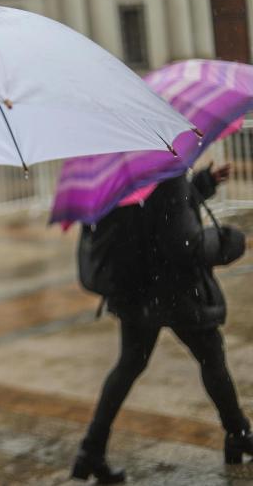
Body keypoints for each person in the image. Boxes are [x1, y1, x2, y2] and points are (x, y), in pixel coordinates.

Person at [73, 163, 249, 484]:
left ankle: (91, 451)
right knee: (211, 356)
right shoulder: (165, 170)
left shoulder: (116, 172)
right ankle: (237, 433)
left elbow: (155, 212)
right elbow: (185, 244)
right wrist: (230, 242)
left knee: (128, 366)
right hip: (174, 292)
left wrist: (202, 184)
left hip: (135, 291)